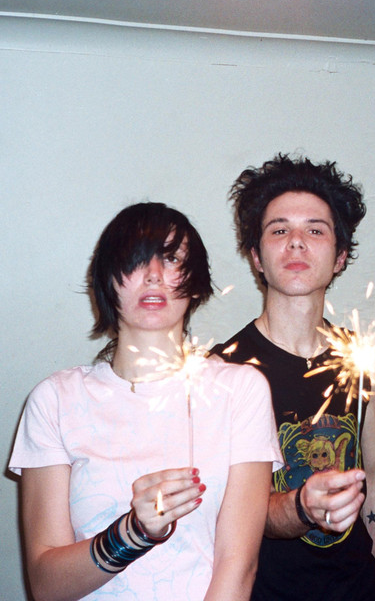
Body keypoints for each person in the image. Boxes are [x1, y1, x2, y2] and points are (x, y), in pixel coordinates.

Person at [9, 202, 282, 601]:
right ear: (107, 281)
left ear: (195, 283)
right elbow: (46, 585)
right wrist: (133, 533)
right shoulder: (55, 399)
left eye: (171, 259)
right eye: (136, 260)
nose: (154, 274)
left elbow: (238, 566)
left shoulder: (239, 391)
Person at [212, 154, 375, 600]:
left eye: (315, 230)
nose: (296, 243)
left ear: (340, 257)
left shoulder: (362, 359)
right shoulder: (221, 372)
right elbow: (228, 510)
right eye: (279, 230)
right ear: (256, 257)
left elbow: (373, 471)